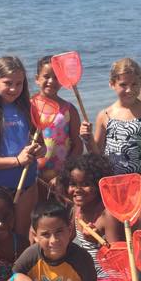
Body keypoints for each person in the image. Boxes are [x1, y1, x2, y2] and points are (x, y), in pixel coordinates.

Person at [0, 57, 45, 236]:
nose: (14, 89)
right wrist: (17, 161)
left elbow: (43, 147)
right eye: (8, 83)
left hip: (28, 187)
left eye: (19, 83)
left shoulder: (29, 110)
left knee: (22, 236)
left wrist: (38, 150)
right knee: (0, 238)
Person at [58, 154, 125, 281]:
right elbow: (67, 240)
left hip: (112, 279)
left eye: (86, 184)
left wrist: (99, 242)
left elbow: (120, 262)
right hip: (89, 276)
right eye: (73, 184)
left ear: (99, 186)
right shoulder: (77, 208)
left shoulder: (107, 215)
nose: (78, 190)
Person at [89, 58, 141, 181]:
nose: (129, 90)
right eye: (123, 85)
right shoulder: (104, 115)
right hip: (112, 183)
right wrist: (88, 138)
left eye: (134, 84)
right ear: (112, 84)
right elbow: (97, 155)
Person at [32, 56, 83, 194]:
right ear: (37, 79)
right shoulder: (29, 106)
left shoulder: (69, 109)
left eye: (56, 77)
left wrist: (64, 174)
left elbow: (78, 145)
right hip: (33, 174)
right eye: (46, 76)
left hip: (61, 174)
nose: (51, 81)